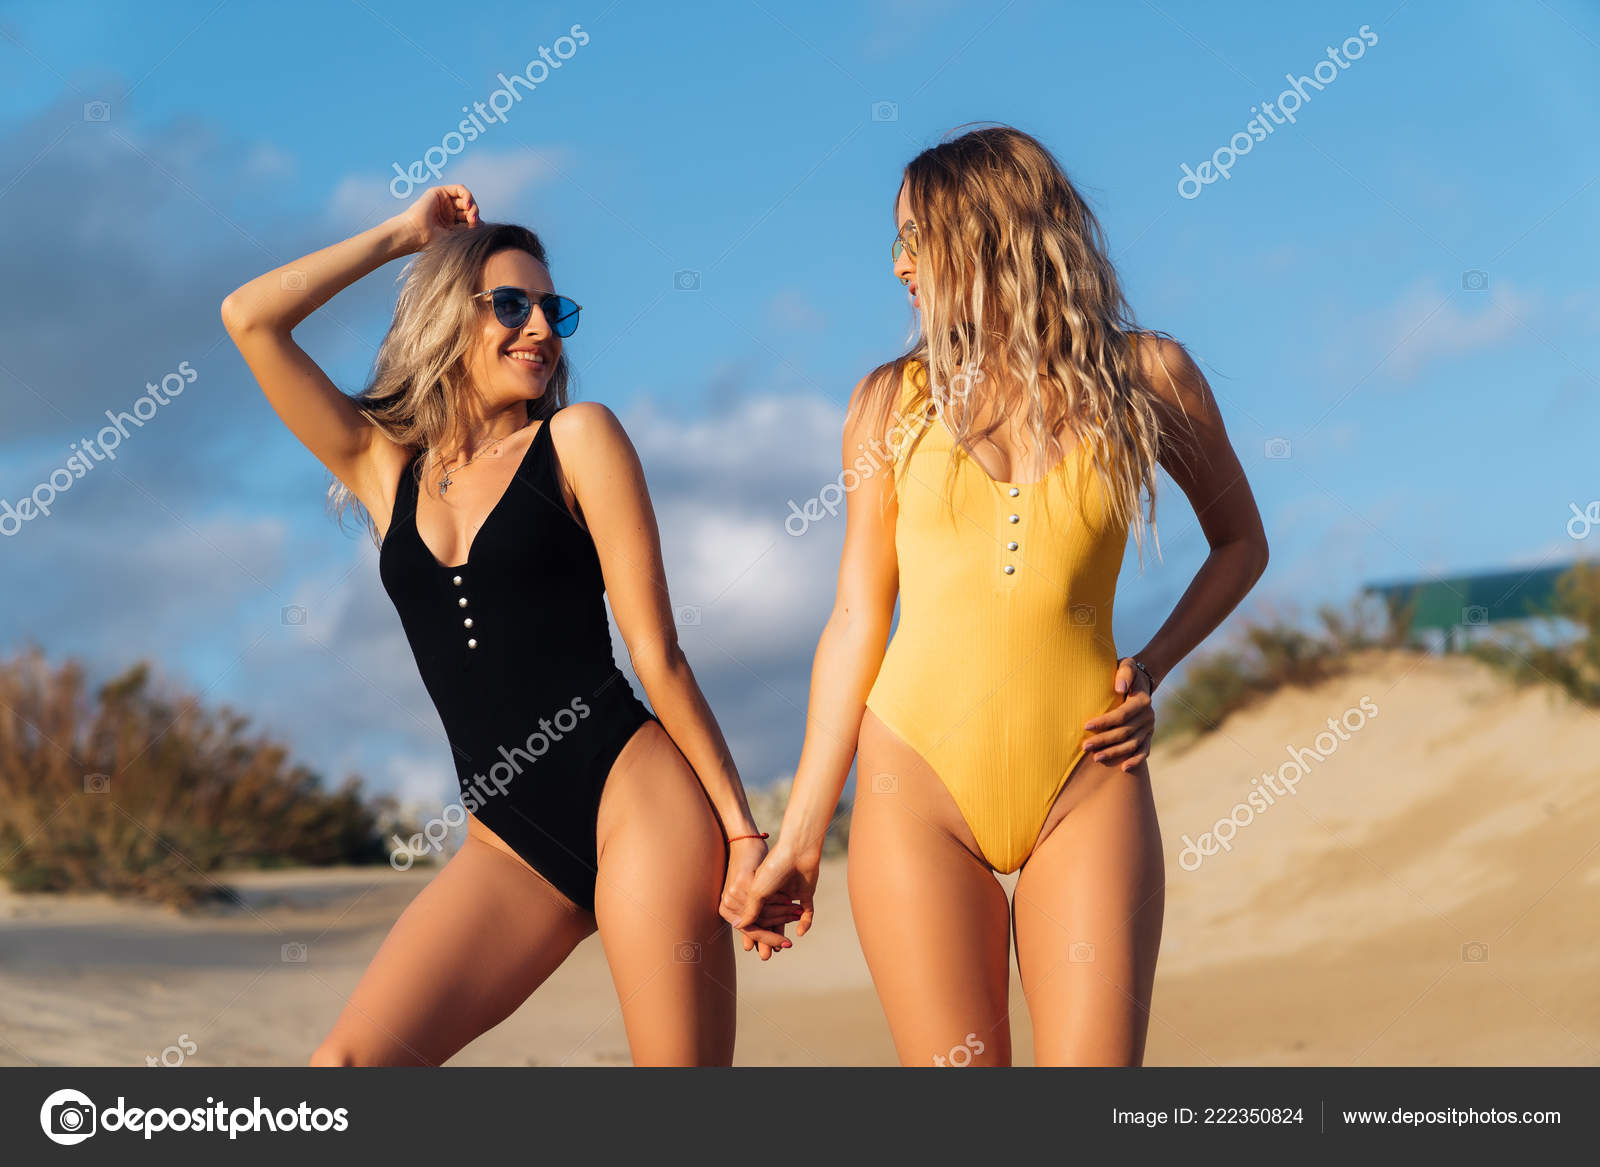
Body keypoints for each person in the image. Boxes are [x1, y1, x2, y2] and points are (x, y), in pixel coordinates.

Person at [221, 184, 796, 1066]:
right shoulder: (386, 470)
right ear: (451, 316)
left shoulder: (579, 440)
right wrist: (404, 235)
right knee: (344, 1069)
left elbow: (658, 654)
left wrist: (744, 836)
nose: (541, 329)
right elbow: (250, 317)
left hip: (632, 799)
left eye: (553, 309)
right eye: (512, 305)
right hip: (507, 842)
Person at [738, 126, 1269, 1066]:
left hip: (1087, 778)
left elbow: (1241, 544)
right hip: (916, 785)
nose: (896, 263)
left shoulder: (1148, 378)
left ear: (987, 231)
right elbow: (858, 617)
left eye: (914, 236)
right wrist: (807, 836)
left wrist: (1150, 667)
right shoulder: (886, 403)